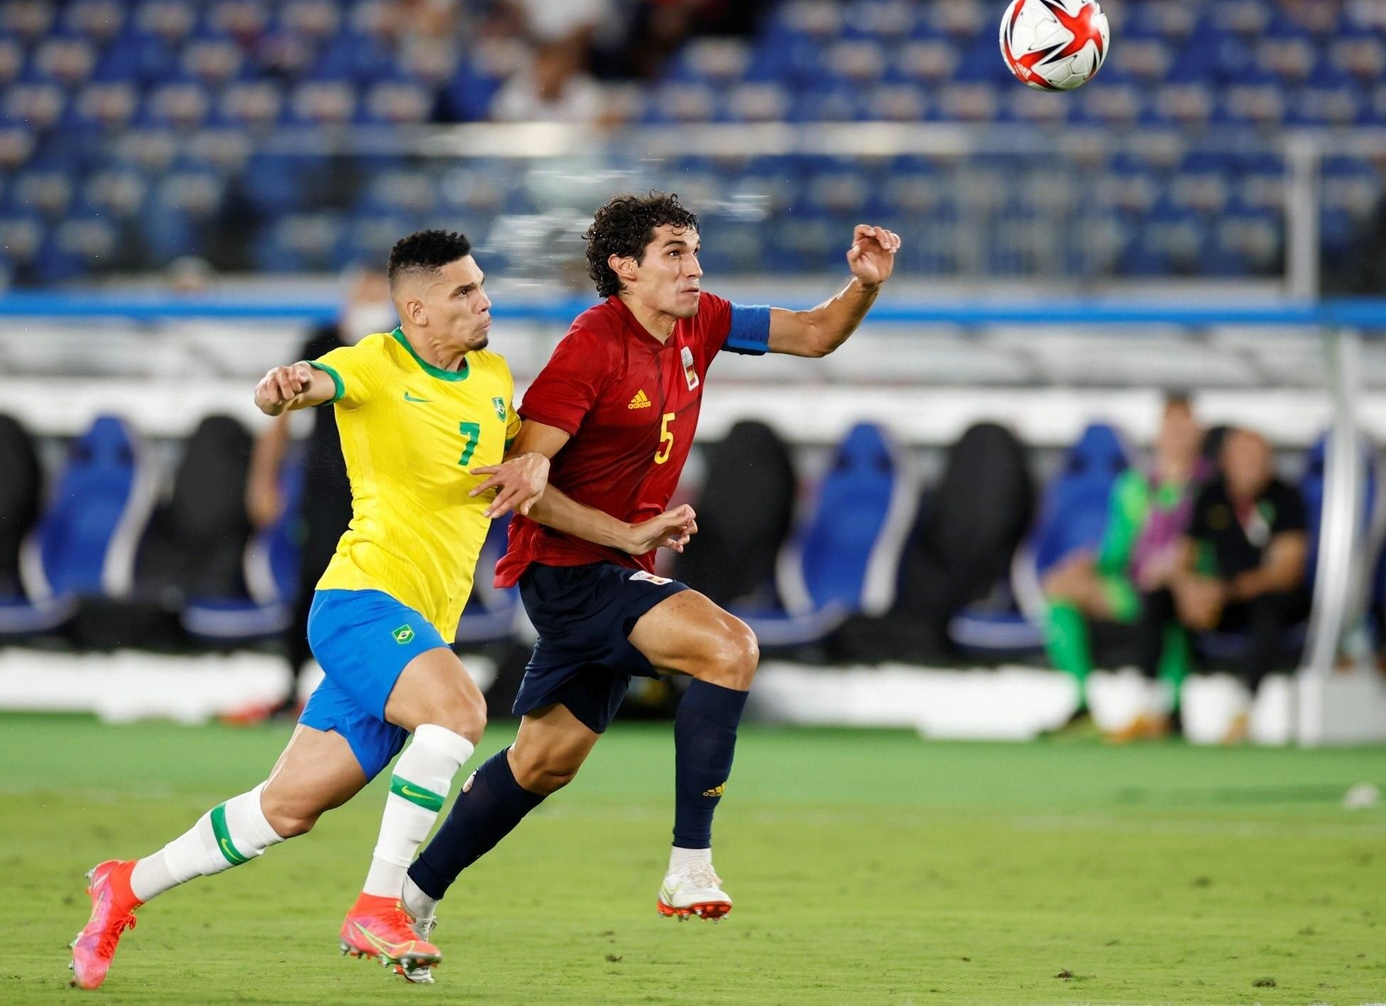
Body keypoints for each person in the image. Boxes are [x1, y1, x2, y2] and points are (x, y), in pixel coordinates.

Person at [397, 193, 900, 960]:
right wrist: (626, 530)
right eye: (674, 252)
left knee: (542, 762)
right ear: (624, 268)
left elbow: (816, 332)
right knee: (729, 646)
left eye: (694, 250)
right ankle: (689, 867)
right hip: (569, 571)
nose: (693, 266)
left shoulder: (703, 320)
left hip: (616, 568)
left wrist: (863, 283)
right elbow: (526, 483)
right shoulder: (590, 346)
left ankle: (411, 893)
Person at [68, 231, 550, 990]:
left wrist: (586, 494)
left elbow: (529, 465)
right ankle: (377, 906)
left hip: (416, 629)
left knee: (284, 810)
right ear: (416, 309)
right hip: (363, 600)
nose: (482, 299)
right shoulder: (373, 361)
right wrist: (279, 388)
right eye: (462, 291)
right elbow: (295, 387)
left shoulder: (492, 375)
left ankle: (122, 886)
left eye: (481, 284)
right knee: (459, 711)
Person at [244, 266, 395, 718]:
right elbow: (282, 416)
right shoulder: (322, 341)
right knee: (314, 580)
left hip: (383, 485)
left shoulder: (400, 348)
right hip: (326, 484)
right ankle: (294, 681)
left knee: (382, 586)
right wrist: (262, 481)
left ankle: (377, 684)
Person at [1042, 394, 1204, 738]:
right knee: (1059, 588)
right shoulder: (1135, 487)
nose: (1176, 436)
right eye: (1169, 427)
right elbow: (1117, 552)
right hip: (1133, 586)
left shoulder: (1208, 488)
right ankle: (1083, 701)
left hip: (1188, 585)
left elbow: (1211, 549)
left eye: (1184, 427)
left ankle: (1169, 710)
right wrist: (1086, 563)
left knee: (1167, 597)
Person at [1160, 428, 1309, 688]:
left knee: (1270, 607)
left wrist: (1227, 590)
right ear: (1226, 461)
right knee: (1159, 599)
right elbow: (1184, 556)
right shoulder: (1210, 496)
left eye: (1259, 457)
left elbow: (1285, 572)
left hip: (1258, 595)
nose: (1252, 465)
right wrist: (1189, 590)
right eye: (1245, 457)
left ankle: (1249, 698)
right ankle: (1155, 695)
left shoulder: (1286, 498)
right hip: (1219, 599)